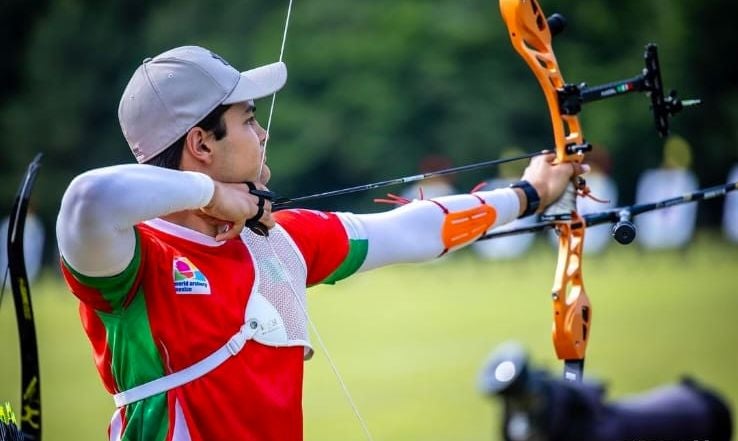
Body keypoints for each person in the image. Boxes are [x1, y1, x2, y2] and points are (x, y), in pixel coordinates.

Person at [55, 45, 584, 441]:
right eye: (248, 119)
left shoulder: (275, 238)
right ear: (201, 144)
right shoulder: (134, 262)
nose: (262, 133)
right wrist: (213, 195)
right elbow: (87, 198)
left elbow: (411, 230)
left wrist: (527, 194)